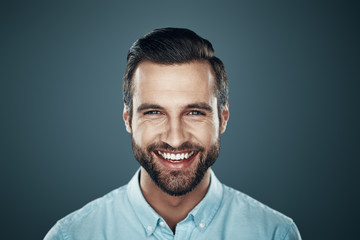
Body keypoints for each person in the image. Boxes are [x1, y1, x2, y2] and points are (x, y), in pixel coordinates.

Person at [44, 27, 301, 239]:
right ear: (128, 119)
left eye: (195, 113)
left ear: (223, 119)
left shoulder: (274, 234)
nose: (175, 139)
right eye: (154, 112)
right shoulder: (71, 235)